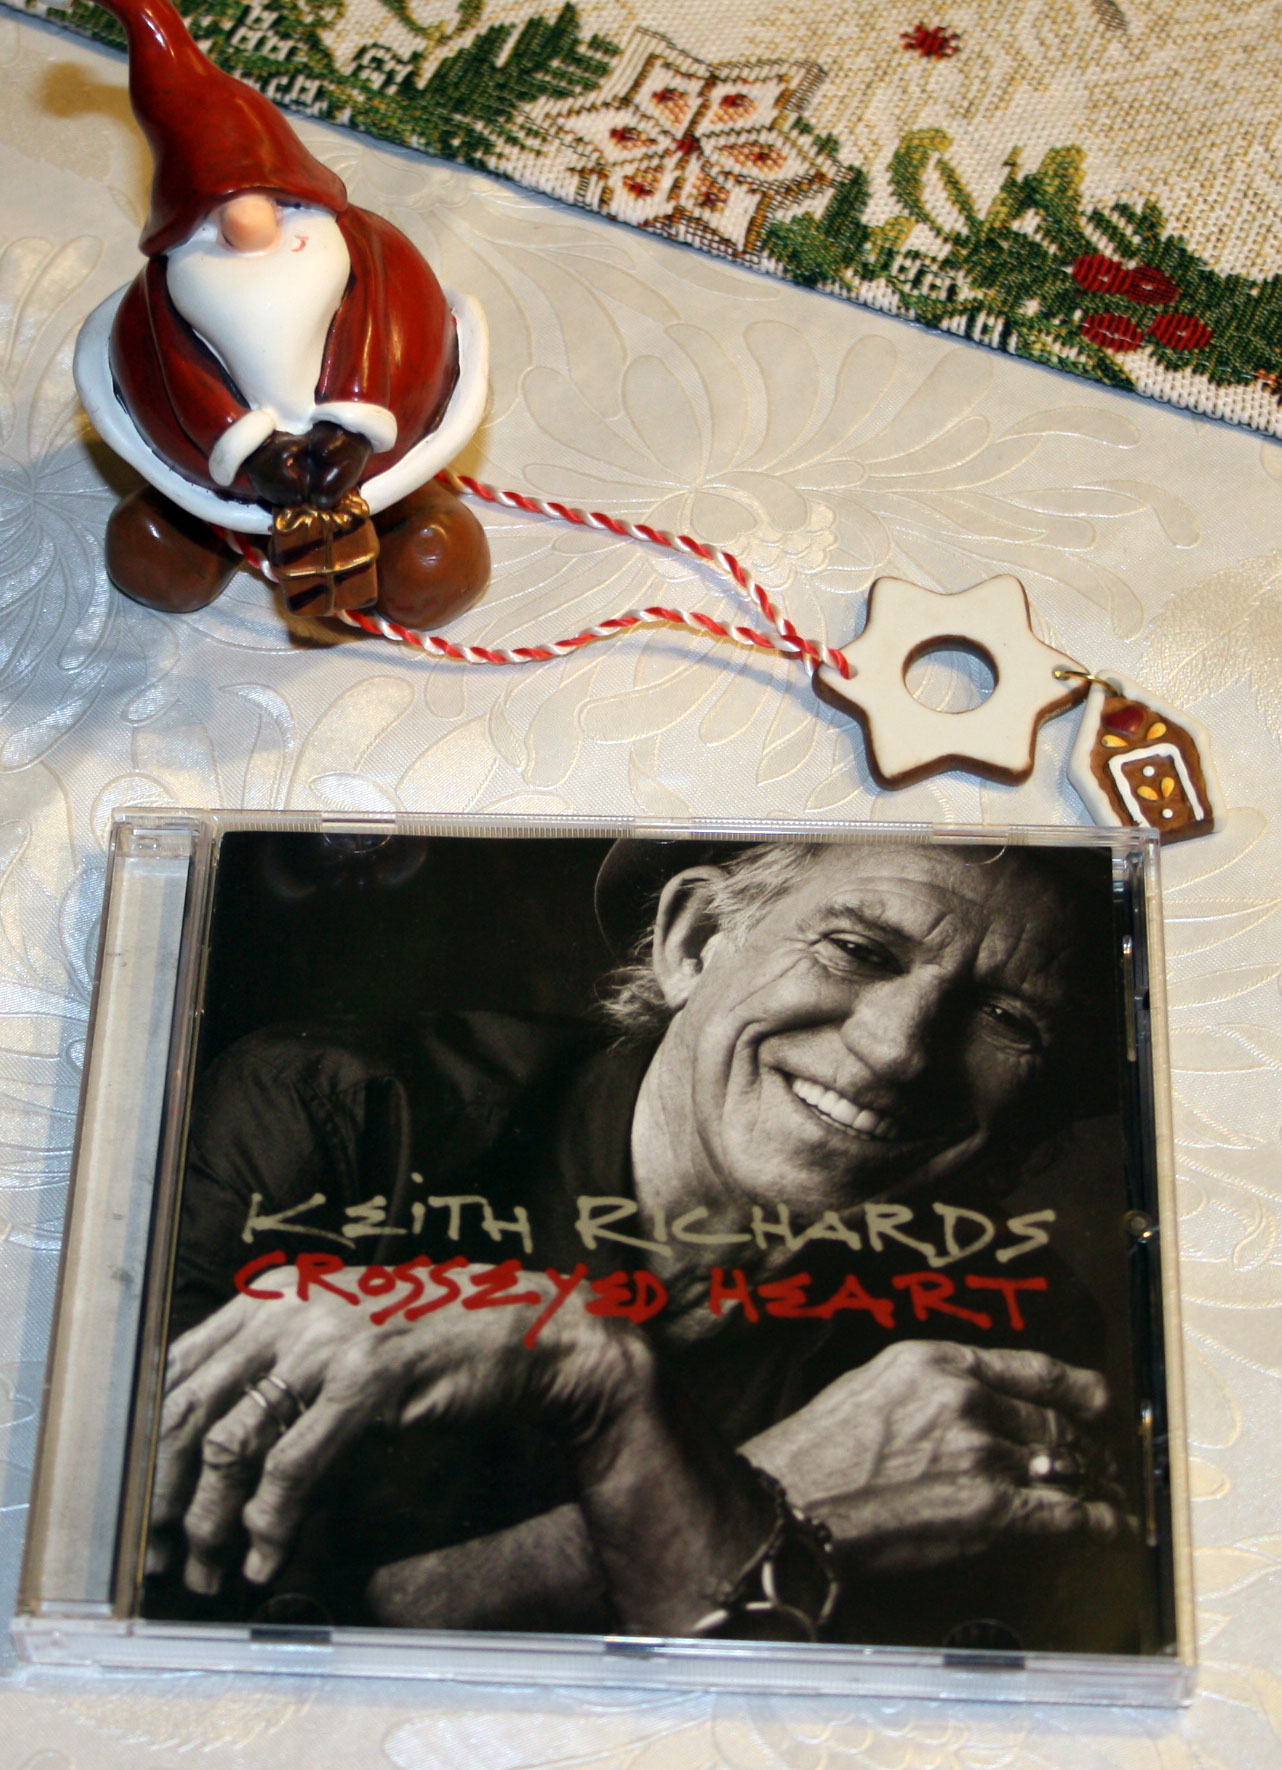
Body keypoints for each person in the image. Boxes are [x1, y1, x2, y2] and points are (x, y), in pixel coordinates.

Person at [149, 838, 1139, 1647]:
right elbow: (171, 1652)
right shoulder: (336, 1121)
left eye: (1008, 1018)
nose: (898, 1050)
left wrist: (651, 1442)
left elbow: (836, 1737)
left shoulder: (1006, 1334)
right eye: (856, 949)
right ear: (694, 939)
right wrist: (780, 1500)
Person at [75, 0, 489, 625]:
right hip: (221, 486)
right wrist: (251, 452)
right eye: (213, 220)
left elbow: (402, 340)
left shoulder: (377, 257)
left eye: (275, 200)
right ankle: (198, 538)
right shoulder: (157, 309)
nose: (250, 227)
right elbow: (171, 383)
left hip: (383, 465)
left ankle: (403, 527)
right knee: (156, 553)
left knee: (430, 562)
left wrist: (354, 430)